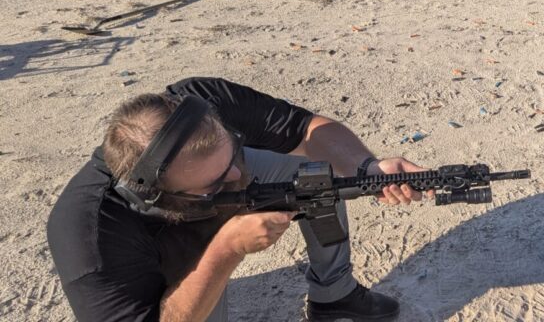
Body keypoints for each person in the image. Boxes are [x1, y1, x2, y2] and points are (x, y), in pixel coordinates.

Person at [47, 77, 430, 322]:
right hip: (169, 289)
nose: (238, 177)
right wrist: (225, 250)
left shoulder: (203, 101)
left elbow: (306, 129)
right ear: (155, 196)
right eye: (216, 181)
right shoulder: (89, 241)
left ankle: (335, 295)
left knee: (313, 174)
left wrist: (366, 166)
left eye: (232, 154)